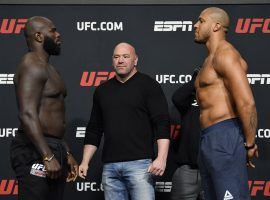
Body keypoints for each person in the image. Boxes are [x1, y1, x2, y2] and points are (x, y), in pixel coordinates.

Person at [79, 42, 170, 200]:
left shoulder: (149, 85)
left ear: (135, 60)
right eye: (116, 57)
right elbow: (94, 129)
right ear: (112, 61)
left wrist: (161, 158)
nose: (120, 60)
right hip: (110, 168)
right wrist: (85, 161)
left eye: (125, 56)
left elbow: (162, 123)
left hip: (141, 166)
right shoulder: (102, 91)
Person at [10, 16, 78, 200]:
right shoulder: (31, 63)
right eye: (53, 30)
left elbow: (50, 116)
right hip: (35, 150)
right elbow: (27, 113)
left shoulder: (50, 69)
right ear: (39, 36)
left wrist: (66, 151)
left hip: (52, 147)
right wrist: (47, 156)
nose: (58, 34)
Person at [194, 7, 258, 200]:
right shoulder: (209, 60)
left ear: (216, 26)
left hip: (224, 135)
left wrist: (250, 143)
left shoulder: (226, 54)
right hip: (209, 137)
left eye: (201, 21)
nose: (195, 25)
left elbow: (247, 103)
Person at [171, 68, 202, 200]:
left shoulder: (223, 99)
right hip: (188, 169)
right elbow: (176, 98)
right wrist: (196, 79)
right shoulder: (190, 98)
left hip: (215, 169)